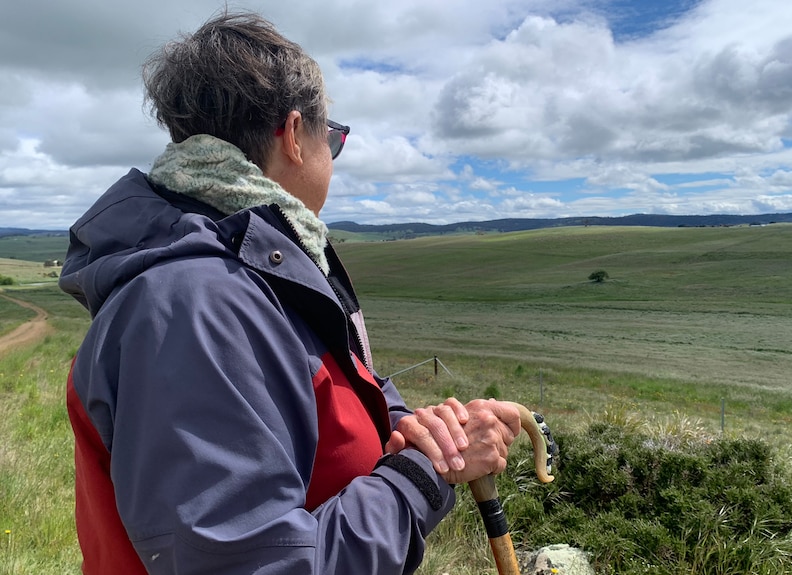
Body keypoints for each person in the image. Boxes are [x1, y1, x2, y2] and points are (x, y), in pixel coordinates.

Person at [59, 11, 521, 575]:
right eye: (334, 137)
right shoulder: (197, 303)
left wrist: (412, 425)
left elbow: (325, 392)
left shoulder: (253, 270)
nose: (334, 154)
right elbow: (255, 564)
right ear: (294, 135)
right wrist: (425, 471)